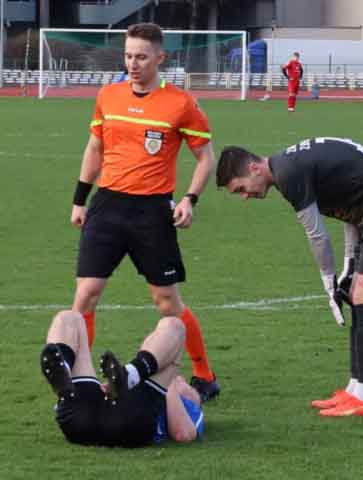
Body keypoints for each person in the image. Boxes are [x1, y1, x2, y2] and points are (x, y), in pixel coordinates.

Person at [215, 137, 363, 417]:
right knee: (356, 293)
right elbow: (351, 209)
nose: (245, 196)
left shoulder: (288, 174)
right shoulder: (287, 166)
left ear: (254, 169)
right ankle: (355, 389)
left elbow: (317, 236)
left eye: (241, 188)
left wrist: (328, 282)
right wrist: (348, 267)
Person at [69, 23, 219, 402]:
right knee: (85, 295)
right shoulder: (108, 96)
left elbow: (205, 158)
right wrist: (79, 200)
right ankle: (80, 380)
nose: (133, 64)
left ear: (159, 58)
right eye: (128, 56)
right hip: (107, 205)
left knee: (167, 303)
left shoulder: (180, 103)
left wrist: (189, 199)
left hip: (152, 212)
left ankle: (205, 374)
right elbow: (94, 148)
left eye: (141, 57)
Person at [40, 310, 205, 447]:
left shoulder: (189, 406)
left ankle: (130, 375)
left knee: (175, 326)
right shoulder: (157, 379)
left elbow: (184, 434)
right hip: (84, 415)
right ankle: (66, 369)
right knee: (69, 317)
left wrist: (173, 385)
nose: (186, 383)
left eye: (191, 390)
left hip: (128, 420)